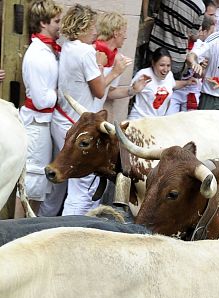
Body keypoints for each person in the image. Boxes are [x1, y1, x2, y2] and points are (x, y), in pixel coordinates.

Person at [49, 4, 131, 217]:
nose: (96, 31)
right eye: (93, 26)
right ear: (83, 27)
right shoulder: (85, 52)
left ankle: (44, 222)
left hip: (62, 118)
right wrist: (116, 71)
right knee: (81, 190)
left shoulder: (68, 45)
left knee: (58, 184)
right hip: (79, 126)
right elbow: (98, 90)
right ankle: (69, 232)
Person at [19, 0, 62, 216]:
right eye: (56, 21)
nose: (60, 26)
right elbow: (41, 100)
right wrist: (60, 92)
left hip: (44, 124)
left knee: (37, 187)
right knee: (31, 184)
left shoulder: (48, 51)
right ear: (43, 23)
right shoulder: (37, 55)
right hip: (36, 124)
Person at [129, 48, 195, 119]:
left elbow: (173, 84)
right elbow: (128, 94)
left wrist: (187, 82)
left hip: (157, 121)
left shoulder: (169, 75)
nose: (165, 69)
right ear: (153, 63)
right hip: (139, 119)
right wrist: (133, 90)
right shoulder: (143, 74)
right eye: (162, 65)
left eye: (168, 65)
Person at [149, 0, 205, 78]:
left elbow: (157, 7)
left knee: (148, 84)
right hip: (177, 56)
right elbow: (193, 36)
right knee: (168, 88)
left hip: (156, 48)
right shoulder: (200, 7)